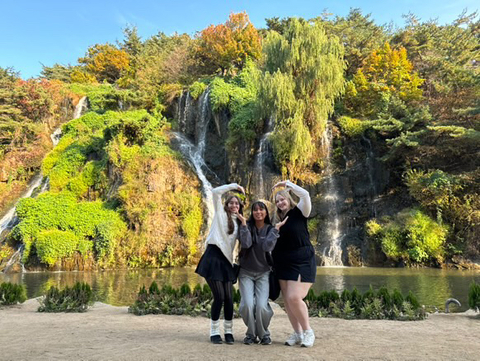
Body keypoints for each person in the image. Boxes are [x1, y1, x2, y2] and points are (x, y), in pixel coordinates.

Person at [195, 183, 245, 345]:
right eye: (231, 203)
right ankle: (214, 332)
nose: (234, 205)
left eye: (237, 203)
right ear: (226, 204)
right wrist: (235, 186)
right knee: (219, 297)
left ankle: (229, 332)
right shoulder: (219, 214)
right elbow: (216, 192)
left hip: (226, 262)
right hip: (213, 257)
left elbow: (245, 242)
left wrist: (244, 223)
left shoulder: (239, 222)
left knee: (229, 298)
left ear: (240, 206)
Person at [271, 180, 316, 347]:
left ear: (289, 199)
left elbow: (305, 194)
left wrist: (287, 184)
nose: (280, 203)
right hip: (282, 262)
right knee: (287, 301)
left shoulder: (300, 212)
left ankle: (308, 332)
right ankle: (297, 333)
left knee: (294, 297)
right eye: (277, 201)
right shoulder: (276, 220)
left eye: (282, 199)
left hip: (302, 260)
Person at [237, 201, 288, 345]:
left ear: (266, 212)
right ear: (252, 213)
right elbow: (246, 244)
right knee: (247, 305)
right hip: (246, 272)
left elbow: (267, 247)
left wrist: (276, 230)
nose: (258, 212)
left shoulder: (271, 229)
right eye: (255, 210)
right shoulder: (246, 226)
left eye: (261, 209)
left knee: (261, 306)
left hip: (263, 273)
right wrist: (244, 225)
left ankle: (263, 333)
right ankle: (251, 334)